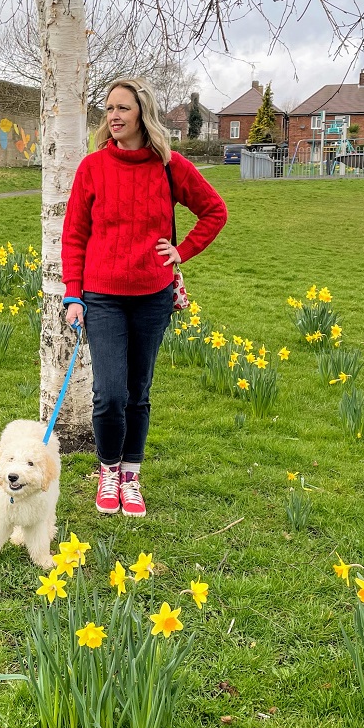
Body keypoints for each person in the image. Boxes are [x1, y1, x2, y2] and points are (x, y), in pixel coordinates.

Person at [61, 77, 227, 516]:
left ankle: (131, 475)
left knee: (138, 392)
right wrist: (73, 294)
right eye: (109, 109)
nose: (114, 116)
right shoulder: (92, 168)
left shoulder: (169, 166)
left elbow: (215, 211)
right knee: (109, 394)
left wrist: (182, 250)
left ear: (143, 114)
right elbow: (74, 234)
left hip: (152, 296)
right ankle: (108, 470)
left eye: (123, 108)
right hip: (102, 297)